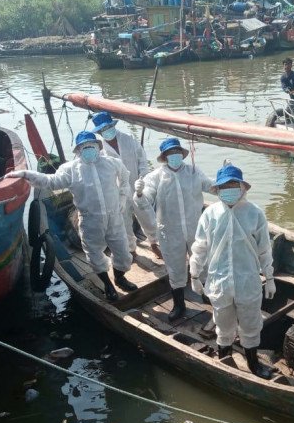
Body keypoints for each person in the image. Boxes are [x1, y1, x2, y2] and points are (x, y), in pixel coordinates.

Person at [6, 131, 138, 302]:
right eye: (84, 147)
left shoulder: (112, 163)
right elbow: (50, 181)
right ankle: (108, 284)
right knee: (95, 255)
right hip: (90, 221)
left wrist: (122, 198)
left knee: (123, 254)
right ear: (78, 150)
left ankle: (120, 277)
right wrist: (26, 175)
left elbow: (125, 178)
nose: (88, 150)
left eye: (91, 146)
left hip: (115, 218)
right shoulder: (71, 170)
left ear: (98, 147)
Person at [189, 164, 276, 377]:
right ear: (217, 189)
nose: (229, 189)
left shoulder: (255, 214)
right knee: (222, 323)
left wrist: (270, 276)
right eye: (224, 185)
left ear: (242, 187)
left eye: (233, 184)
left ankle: (254, 363)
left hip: (248, 281)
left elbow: (264, 248)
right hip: (219, 280)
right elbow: (200, 246)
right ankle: (224, 358)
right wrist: (194, 273)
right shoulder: (210, 214)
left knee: (251, 323)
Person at [133, 138, 215, 321]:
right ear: (165, 157)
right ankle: (179, 304)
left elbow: (210, 186)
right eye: (170, 153)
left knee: (203, 261)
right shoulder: (155, 177)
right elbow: (145, 200)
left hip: (195, 227)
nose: (174, 156)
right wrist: (139, 193)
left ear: (182, 153)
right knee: (175, 267)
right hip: (169, 230)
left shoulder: (193, 171)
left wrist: (226, 181)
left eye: (176, 152)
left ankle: (207, 294)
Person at [90, 111, 149, 261]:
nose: (107, 131)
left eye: (108, 127)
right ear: (99, 132)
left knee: (147, 217)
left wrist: (143, 177)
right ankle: (131, 250)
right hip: (117, 193)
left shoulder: (129, 139)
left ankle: (154, 242)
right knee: (124, 223)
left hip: (138, 187)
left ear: (113, 126)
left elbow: (142, 159)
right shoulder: (99, 151)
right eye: (103, 130)